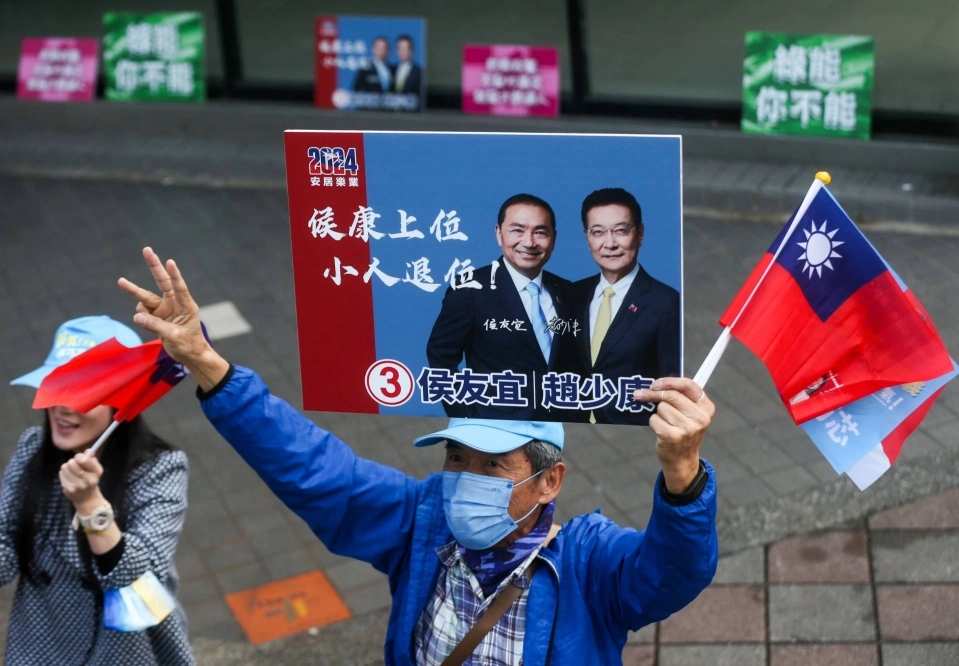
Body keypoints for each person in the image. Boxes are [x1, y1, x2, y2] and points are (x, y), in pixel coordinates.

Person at [120, 247, 719, 666]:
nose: (464, 480)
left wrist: (682, 472)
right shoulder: (421, 521)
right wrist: (207, 364)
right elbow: (315, 469)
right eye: (456, 459)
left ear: (548, 480)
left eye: (492, 466)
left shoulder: (589, 564)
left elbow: (673, 572)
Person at [3, 315, 194, 665]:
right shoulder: (32, 447)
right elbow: (5, 550)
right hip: (42, 644)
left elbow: (137, 576)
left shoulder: (161, 467)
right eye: (56, 385)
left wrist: (90, 505)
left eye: (83, 391)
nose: (63, 406)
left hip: (130, 648)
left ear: (122, 402)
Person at [426, 194, 576, 420]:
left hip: (563, 422)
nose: (529, 242)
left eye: (540, 232)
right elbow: (440, 360)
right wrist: (467, 416)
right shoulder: (470, 290)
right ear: (499, 232)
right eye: (518, 230)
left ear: (553, 238)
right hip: (494, 424)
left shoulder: (567, 291)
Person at [569, 188, 681, 425]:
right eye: (597, 232)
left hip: (631, 429)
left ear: (640, 233)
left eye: (621, 230)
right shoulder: (572, 294)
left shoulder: (665, 302)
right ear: (587, 238)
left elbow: (669, 381)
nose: (609, 243)